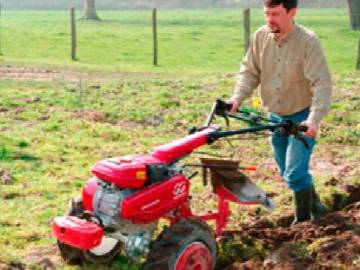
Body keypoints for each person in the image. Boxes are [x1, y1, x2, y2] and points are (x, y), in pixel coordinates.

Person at [227, 0, 332, 224]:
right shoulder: (260, 37)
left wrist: (313, 120)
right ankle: (318, 209)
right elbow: (249, 72)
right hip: (274, 118)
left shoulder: (307, 42)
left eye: (275, 14)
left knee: (295, 174)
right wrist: (237, 98)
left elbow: (321, 84)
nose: (269, 19)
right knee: (290, 174)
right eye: (267, 14)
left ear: (292, 12)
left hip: (301, 118)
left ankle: (302, 222)